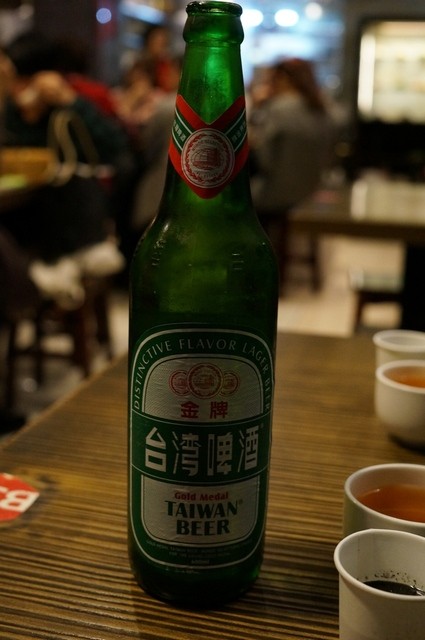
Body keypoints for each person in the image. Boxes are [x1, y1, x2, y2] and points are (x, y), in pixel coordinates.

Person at [249, 58, 335, 287]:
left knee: (229, 198)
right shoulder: (321, 108)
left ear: (284, 79)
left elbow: (265, 161)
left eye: (272, 79)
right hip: (309, 191)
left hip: (275, 193)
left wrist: (256, 115)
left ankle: (249, 271)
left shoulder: (279, 108)